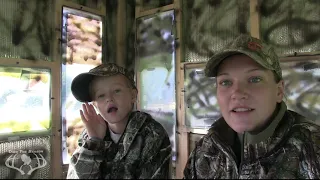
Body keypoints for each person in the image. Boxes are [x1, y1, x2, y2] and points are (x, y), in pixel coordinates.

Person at [183, 34, 320, 179]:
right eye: (226, 82)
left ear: (279, 91)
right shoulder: (204, 151)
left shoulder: (313, 149)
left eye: (254, 79)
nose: (237, 93)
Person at [66, 63, 172, 179]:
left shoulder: (152, 135)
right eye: (101, 95)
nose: (109, 99)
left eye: (117, 91)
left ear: (133, 95)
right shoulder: (88, 135)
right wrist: (95, 142)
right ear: (95, 104)